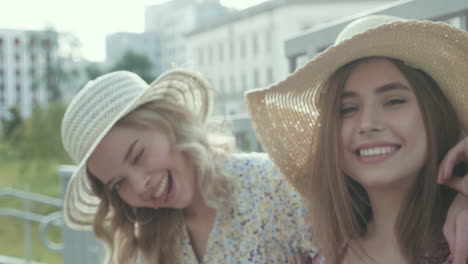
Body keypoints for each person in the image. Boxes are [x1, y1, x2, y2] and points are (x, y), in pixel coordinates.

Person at [246, 15, 468, 263]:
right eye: (347, 109)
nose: (367, 124)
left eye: (394, 101)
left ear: (437, 115)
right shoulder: (322, 253)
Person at [60, 69, 316, 263]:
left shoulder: (274, 186)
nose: (140, 186)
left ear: (170, 121)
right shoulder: (151, 241)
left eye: (137, 155)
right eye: (118, 184)